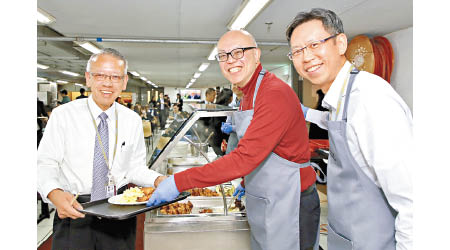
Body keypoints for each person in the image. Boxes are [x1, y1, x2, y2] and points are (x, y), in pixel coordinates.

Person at [147, 30, 319, 250]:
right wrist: (248, 182)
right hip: (268, 197)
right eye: (223, 55)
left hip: (291, 202)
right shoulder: (249, 95)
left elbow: (244, 158)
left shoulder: (273, 92)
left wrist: (179, 181)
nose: (230, 61)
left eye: (238, 52)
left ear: (256, 55)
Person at [286, 8, 413, 250]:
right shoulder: (342, 97)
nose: (306, 57)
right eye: (297, 51)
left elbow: (414, 203)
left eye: (314, 44)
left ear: (341, 43)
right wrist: (304, 113)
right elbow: (339, 122)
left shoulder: (370, 99)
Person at [37, 48, 166, 250]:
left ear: (124, 82)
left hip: (119, 209)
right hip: (76, 209)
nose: (107, 83)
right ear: (88, 78)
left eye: (115, 77)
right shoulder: (63, 115)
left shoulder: (131, 120)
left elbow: (134, 167)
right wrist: (54, 192)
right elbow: (45, 162)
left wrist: (157, 179)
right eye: (100, 75)